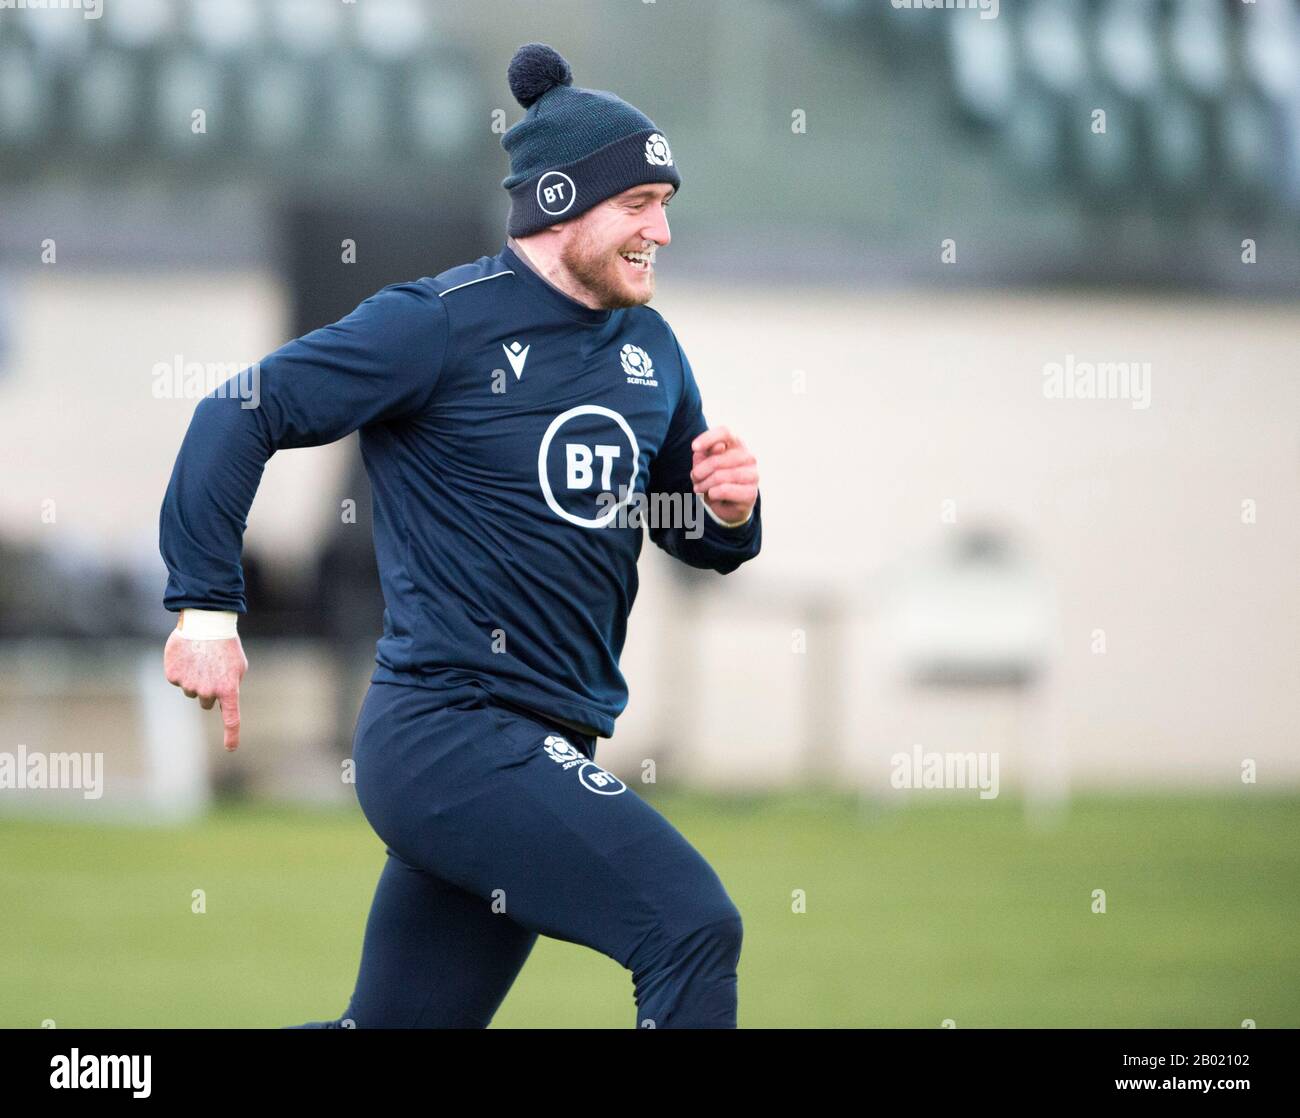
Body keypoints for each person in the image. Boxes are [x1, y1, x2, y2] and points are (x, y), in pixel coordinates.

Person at [159, 42, 762, 1029]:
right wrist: (205, 609)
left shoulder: (651, 348)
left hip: (546, 735)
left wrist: (730, 513)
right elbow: (241, 409)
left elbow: (689, 527)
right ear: (559, 201)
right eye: (639, 202)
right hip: (450, 734)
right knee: (691, 923)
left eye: (667, 201)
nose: (661, 227)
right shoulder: (436, 324)